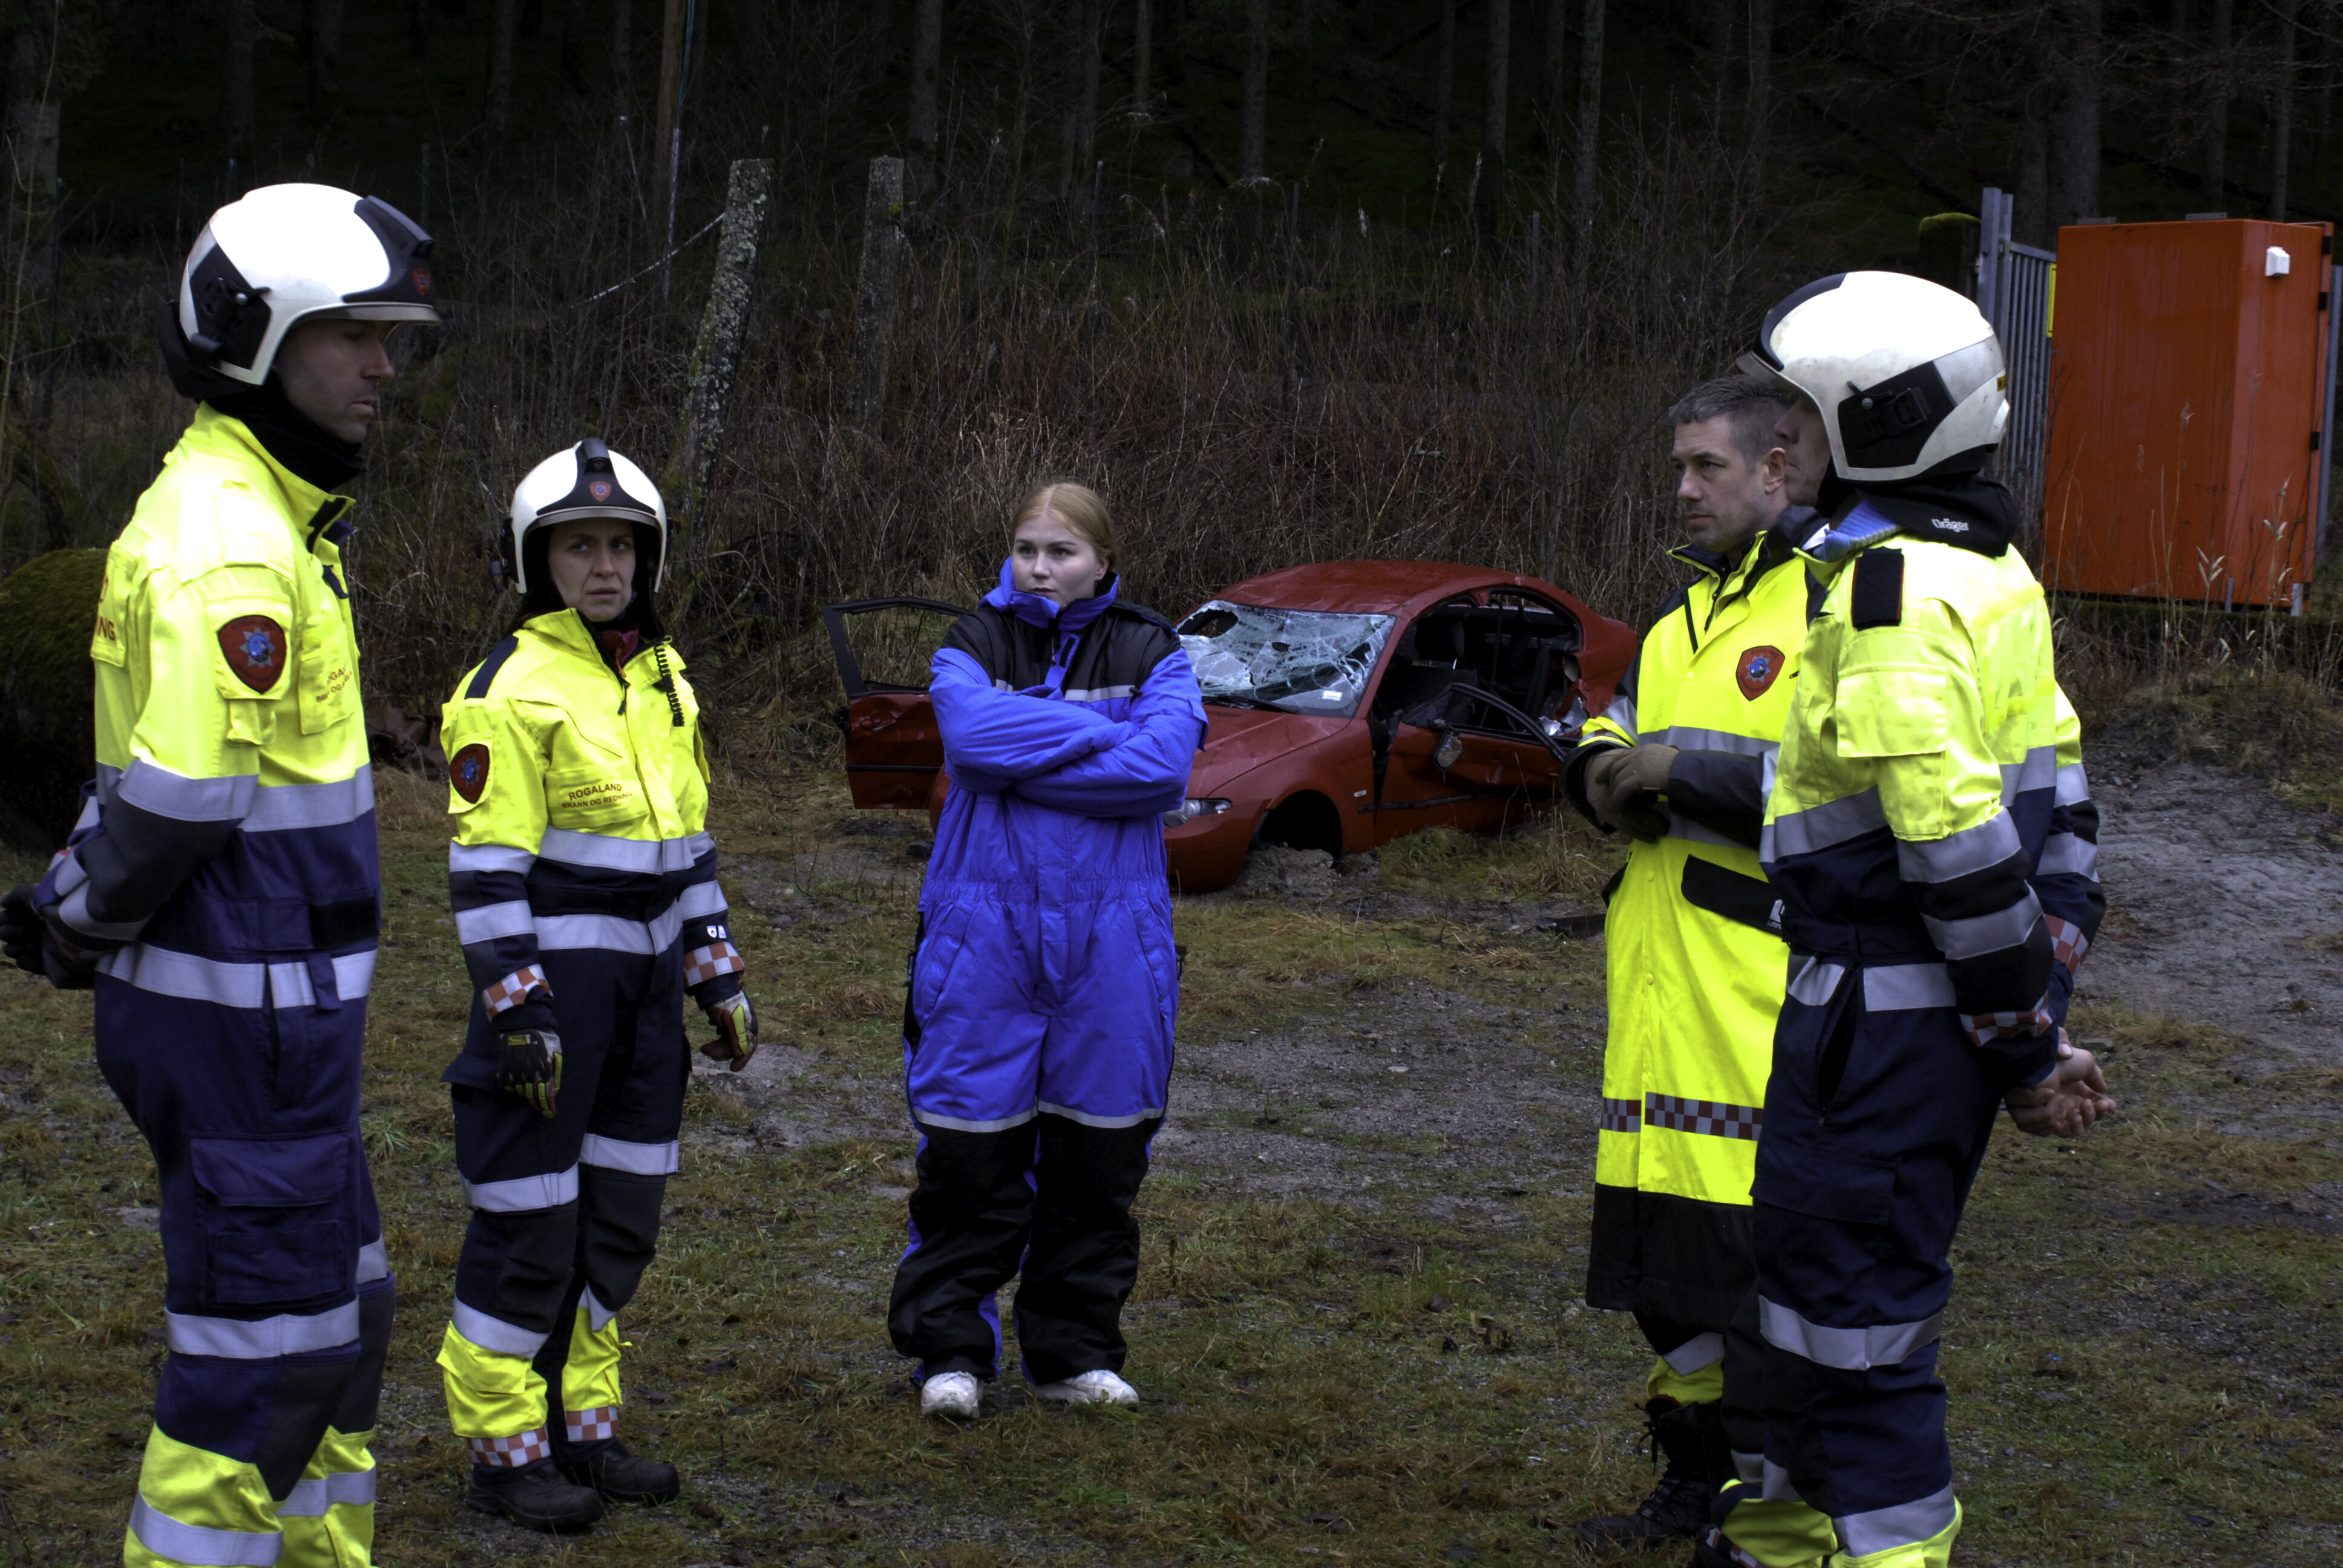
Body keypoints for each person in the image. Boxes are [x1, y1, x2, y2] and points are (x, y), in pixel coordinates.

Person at [0, 183, 436, 1568]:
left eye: (394, 337)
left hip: (282, 1013)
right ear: (252, 337)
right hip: (240, 1013)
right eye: (353, 334)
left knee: (339, 1323)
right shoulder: (231, 544)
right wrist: (72, 921)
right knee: (266, 1361)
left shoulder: (277, 516)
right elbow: (179, 794)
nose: (384, 367)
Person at [1695, 272, 2114, 1568]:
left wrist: (2026, 1051)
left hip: (1875, 1026)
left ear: (1874, 425)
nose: (1785, 448)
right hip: (1891, 1016)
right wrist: (2033, 1015)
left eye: (1803, 423)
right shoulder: (1989, 570)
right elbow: (2068, 824)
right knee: (1805, 1299)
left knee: (1857, 1328)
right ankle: (1775, 1537)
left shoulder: (1887, 596)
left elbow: (1954, 849)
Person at [433, 439, 758, 1532]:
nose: (605, 565)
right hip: (555, 1002)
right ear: (541, 560)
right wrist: (516, 1008)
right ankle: (504, 1448)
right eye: (581, 546)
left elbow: (689, 843)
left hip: (650, 1003)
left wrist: (717, 975)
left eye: (622, 544)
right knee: (530, 1222)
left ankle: (585, 1427)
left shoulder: (664, 680)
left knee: (617, 1222)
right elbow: (485, 871)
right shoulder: (504, 691)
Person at [1562, 376, 1828, 1555]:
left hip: (1760, 1010)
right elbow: (1605, 731)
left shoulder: (1835, 607)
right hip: (1653, 1004)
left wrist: (1682, 772)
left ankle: (1768, 1515)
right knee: (1658, 1290)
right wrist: (1600, 775)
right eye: (1675, 468)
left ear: (1777, 467)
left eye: (1703, 468)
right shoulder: (1675, 623)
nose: (1679, 490)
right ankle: (1701, 1475)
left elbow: (1854, 791)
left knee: (1759, 1296)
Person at [886, 482, 1205, 1420]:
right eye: (1027, 548)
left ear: (1104, 561)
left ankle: (1070, 1353)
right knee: (969, 1155)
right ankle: (951, 1351)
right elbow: (975, 746)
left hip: (1114, 946)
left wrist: (1037, 758)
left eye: (1062, 552)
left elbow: (1159, 772)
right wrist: (1099, 729)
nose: (1040, 567)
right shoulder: (970, 641)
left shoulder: (1155, 648)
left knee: (1097, 1157)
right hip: (983, 939)